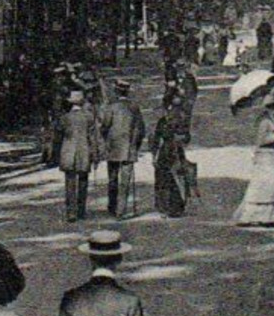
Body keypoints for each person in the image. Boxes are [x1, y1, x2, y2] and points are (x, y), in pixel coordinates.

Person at [233, 91, 274, 227]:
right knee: (265, 187)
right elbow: (261, 140)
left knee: (272, 187)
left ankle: (271, 217)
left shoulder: (272, 118)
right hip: (266, 157)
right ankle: (256, 216)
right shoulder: (265, 120)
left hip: (272, 156)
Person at [99, 81, 147, 220]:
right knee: (125, 181)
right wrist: (135, 146)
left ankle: (112, 206)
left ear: (116, 91)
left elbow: (104, 126)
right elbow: (141, 129)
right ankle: (121, 210)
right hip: (129, 149)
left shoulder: (111, 107)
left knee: (112, 179)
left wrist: (106, 140)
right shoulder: (134, 107)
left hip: (114, 148)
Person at [57, 89, 101, 223]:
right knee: (83, 182)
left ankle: (71, 212)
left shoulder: (64, 118)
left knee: (70, 183)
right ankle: (81, 211)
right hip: (84, 152)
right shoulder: (88, 117)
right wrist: (95, 155)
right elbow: (93, 138)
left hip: (68, 152)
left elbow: (58, 136)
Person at [151, 92, 193, 219]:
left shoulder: (169, 121)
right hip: (171, 152)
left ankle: (169, 206)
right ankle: (171, 206)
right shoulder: (172, 120)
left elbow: (157, 139)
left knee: (169, 178)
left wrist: (154, 155)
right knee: (170, 178)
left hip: (170, 152)